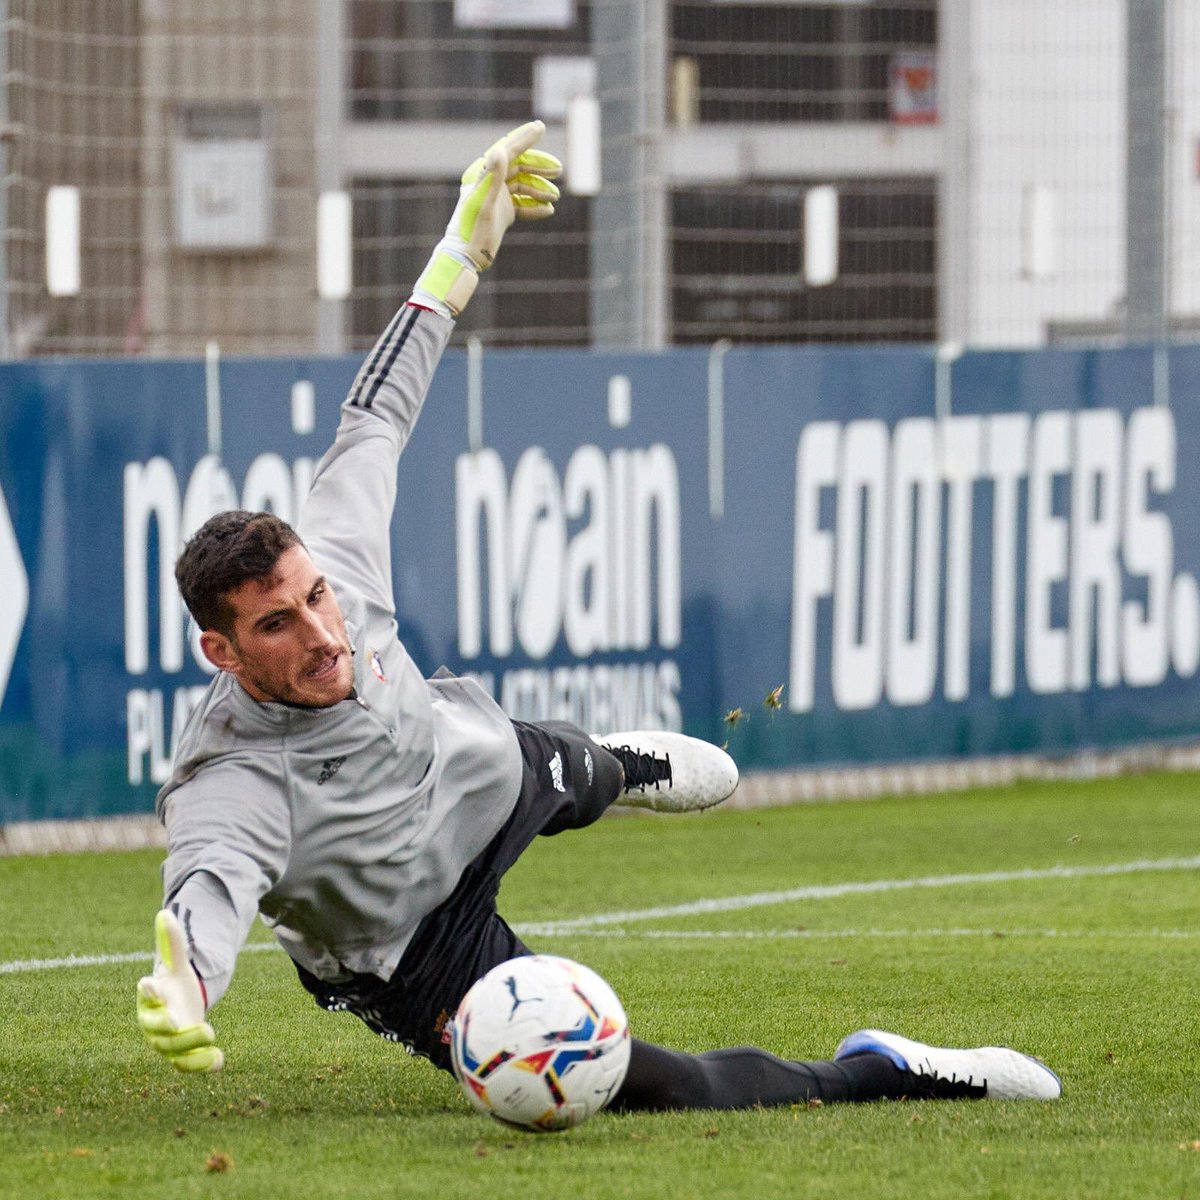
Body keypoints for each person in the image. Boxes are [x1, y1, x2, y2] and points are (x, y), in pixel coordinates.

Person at [135, 122, 1061, 1110]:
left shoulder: (335, 565)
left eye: (314, 597)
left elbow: (377, 414)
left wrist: (464, 247)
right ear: (220, 653)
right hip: (411, 941)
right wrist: (184, 988)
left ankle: (614, 764)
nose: (322, 633)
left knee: (575, 772)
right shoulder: (228, 777)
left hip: (478, 769)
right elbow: (208, 888)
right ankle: (885, 1068)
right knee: (642, 1088)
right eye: (276, 626)